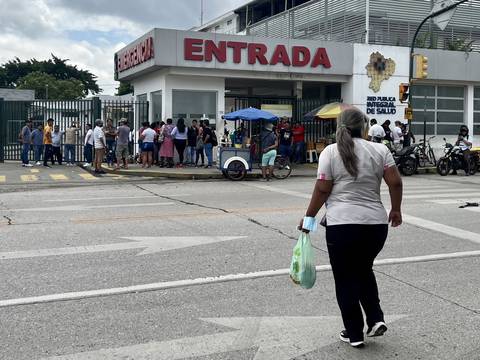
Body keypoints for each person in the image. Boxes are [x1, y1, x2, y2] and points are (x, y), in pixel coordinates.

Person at [300, 108, 403, 348]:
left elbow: (323, 189)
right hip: (376, 226)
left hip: (342, 226)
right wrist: (396, 209)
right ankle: (375, 318)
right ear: (364, 127)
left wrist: (308, 219)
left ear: (340, 127)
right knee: (363, 269)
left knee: (345, 279)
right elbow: (395, 182)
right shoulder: (380, 150)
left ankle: (354, 333)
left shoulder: (330, 152)